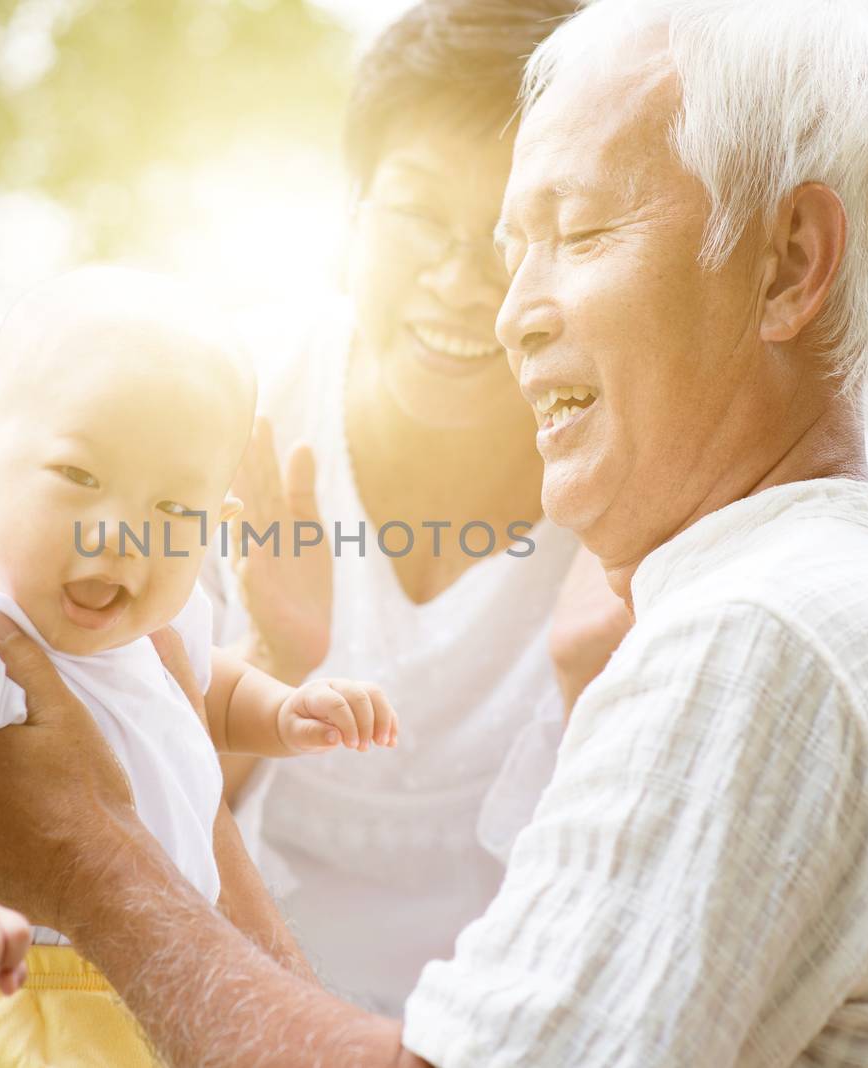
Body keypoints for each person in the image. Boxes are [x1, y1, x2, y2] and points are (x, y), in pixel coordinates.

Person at [0, 1, 868, 1065]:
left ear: (788, 263)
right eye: (515, 247)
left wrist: (92, 868)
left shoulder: (757, 639)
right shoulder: (809, 602)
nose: (507, 308)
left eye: (575, 235)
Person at [0, 269, 398, 1068]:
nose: (119, 532)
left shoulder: (156, 628)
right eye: (80, 477)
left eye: (172, 510)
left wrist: (284, 711)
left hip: (154, 991)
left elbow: (203, 693)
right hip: (13, 1003)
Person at [205, 0, 605, 1014]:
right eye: (419, 214)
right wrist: (270, 663)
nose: (463, 282)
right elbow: (121, 808)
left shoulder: (629, 483)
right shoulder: (220, 408)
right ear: (349, 218)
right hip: (211, 1002)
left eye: (518, 235)